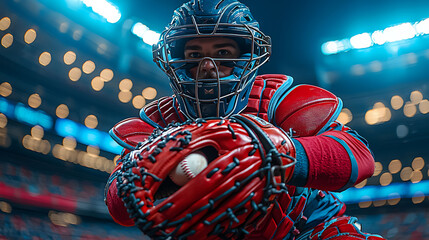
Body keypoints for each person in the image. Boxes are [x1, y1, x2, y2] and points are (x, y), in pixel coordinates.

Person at [105, 0, 385, 239]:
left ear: (246, 56)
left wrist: (277, 153)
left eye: (223, 52)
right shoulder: (158, 124)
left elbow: (360, 158)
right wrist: (141, 174)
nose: (208, 65)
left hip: (303, 230)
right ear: (177, 59)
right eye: (194, 54)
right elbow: (119, 208)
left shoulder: (274, 100)